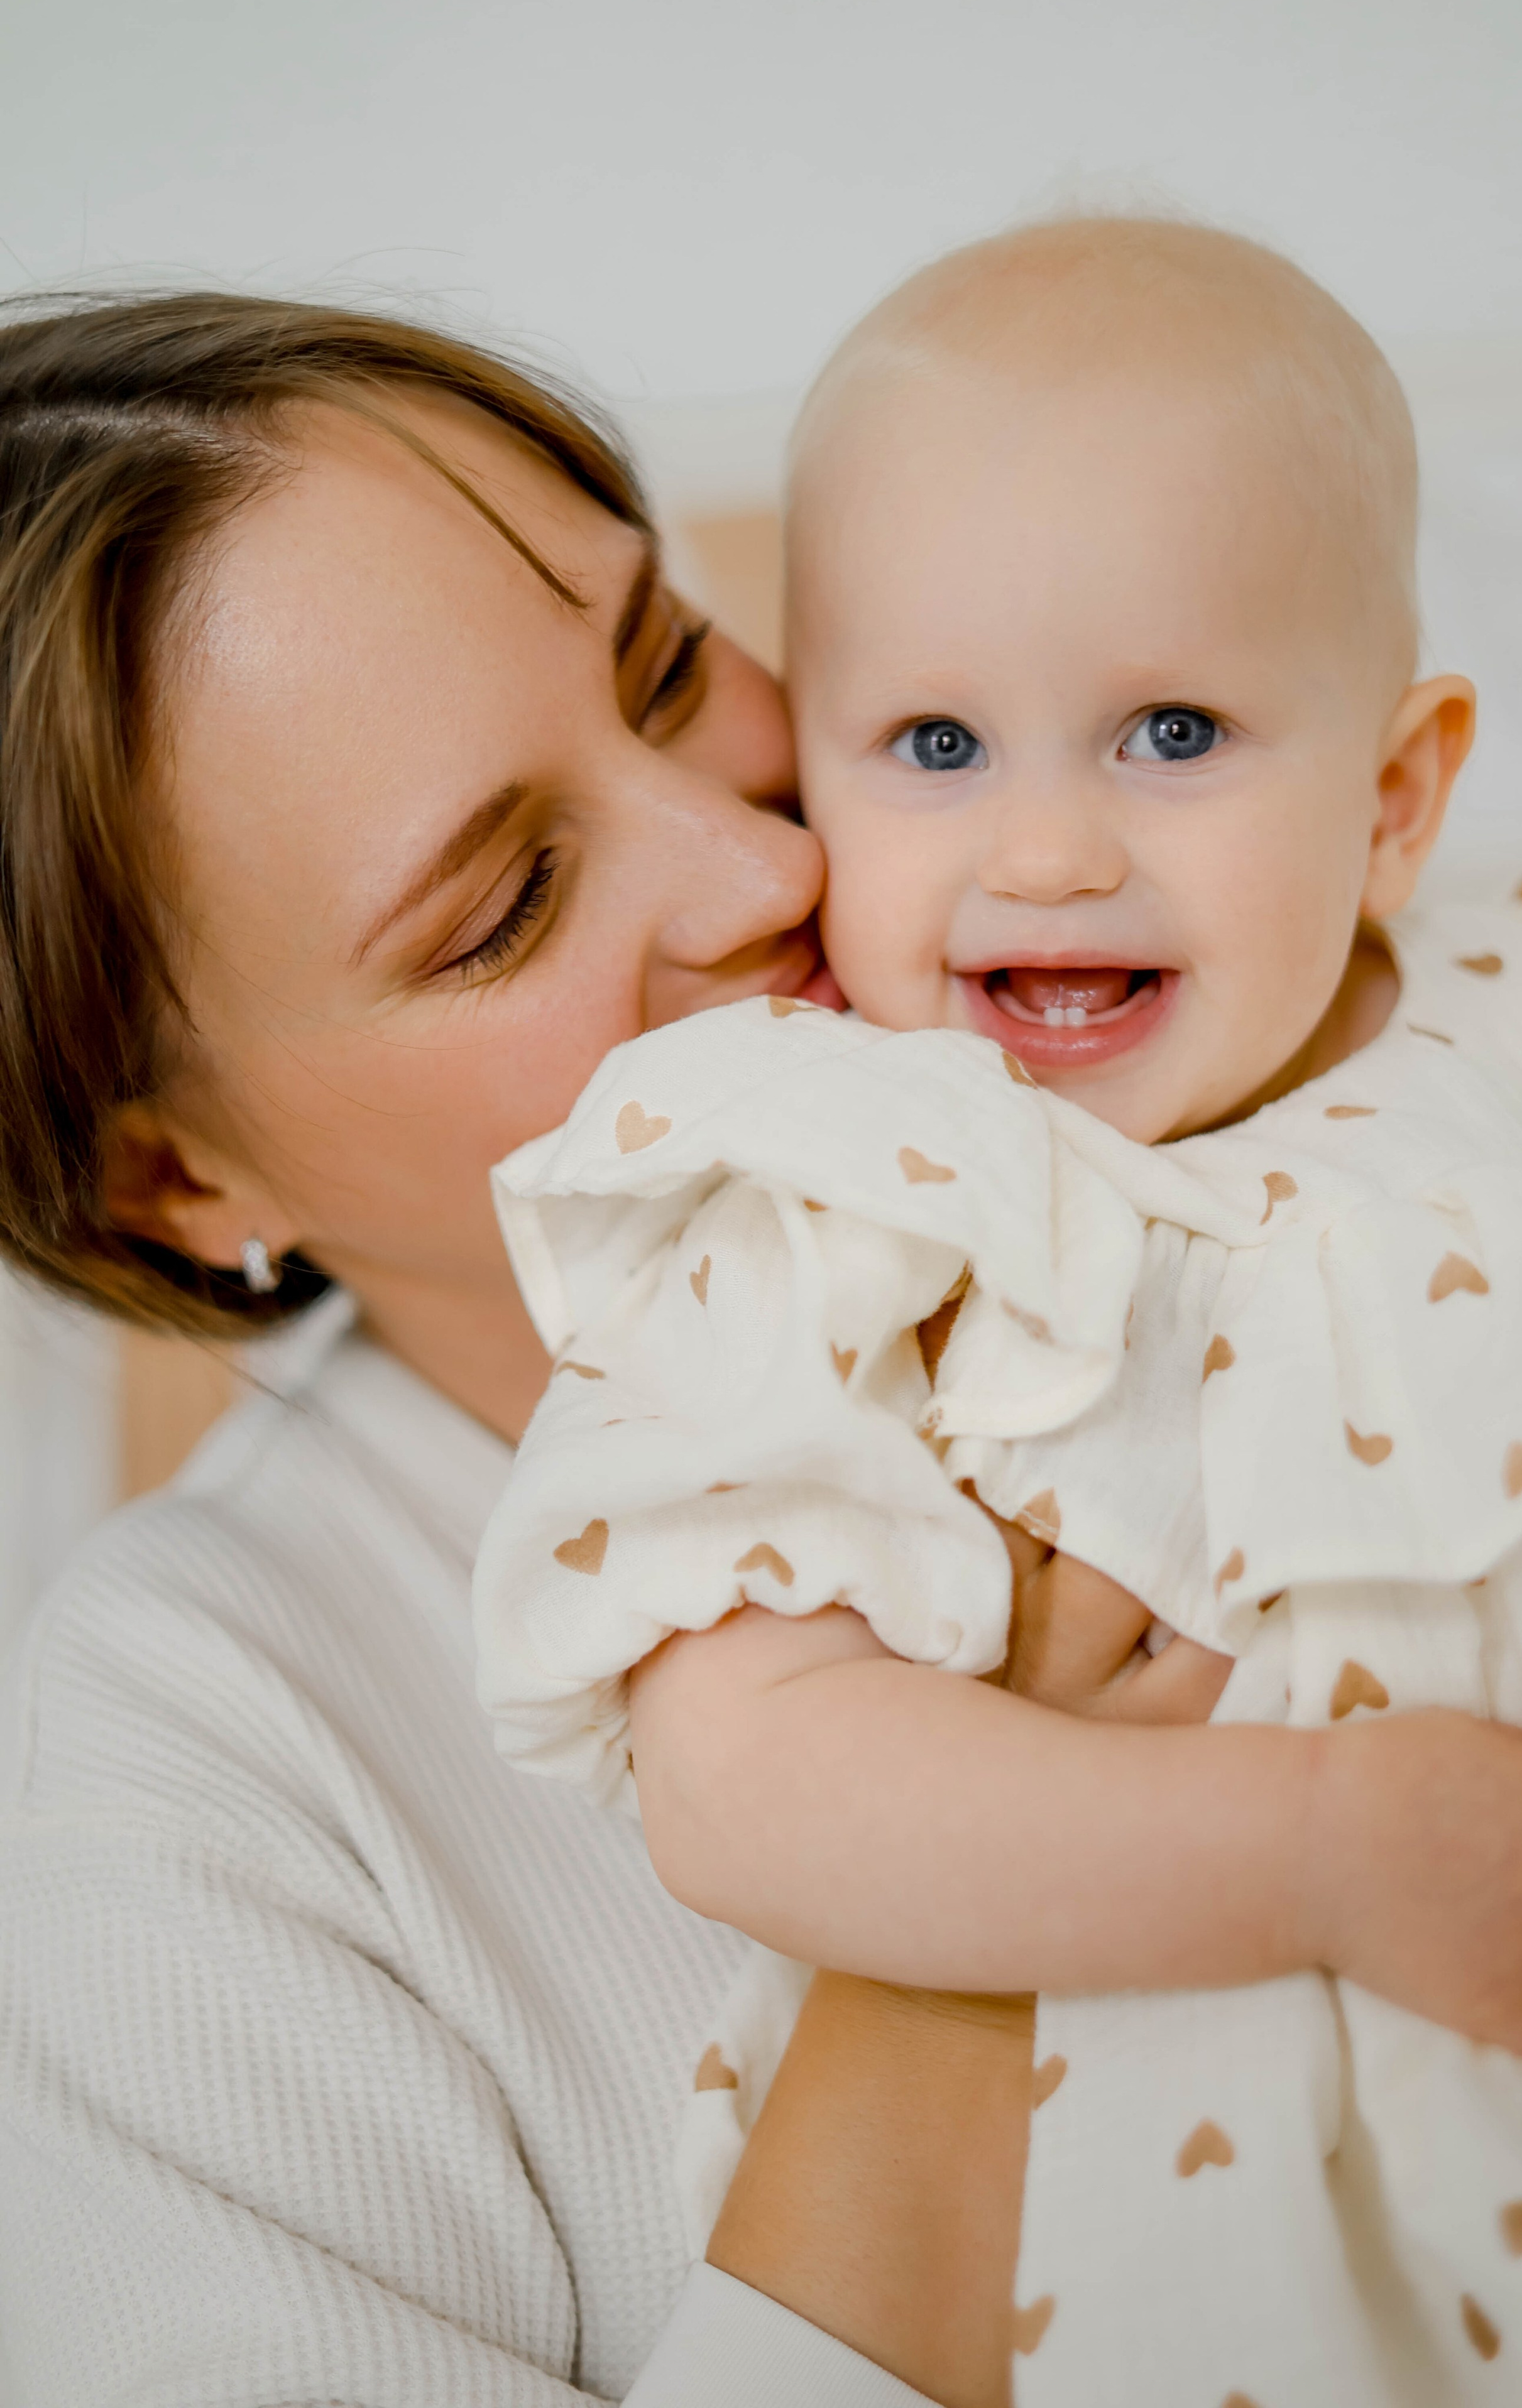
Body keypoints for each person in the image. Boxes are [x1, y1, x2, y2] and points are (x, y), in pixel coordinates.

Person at [469, 221, 1522, 2405]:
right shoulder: (829, 1184)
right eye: (934, 741)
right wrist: (1320, 1853)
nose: (1054, 849)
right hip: (1154, 2263)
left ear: (1393, 796)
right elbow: (754, 1780)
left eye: (1170, 730)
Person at [0, 287, 1076, 2408]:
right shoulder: (183, 1771)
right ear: (174, 1184)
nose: (766, 860)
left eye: (669, 661)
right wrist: (987, 1883)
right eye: (501, 907)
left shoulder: (1301, 1086)